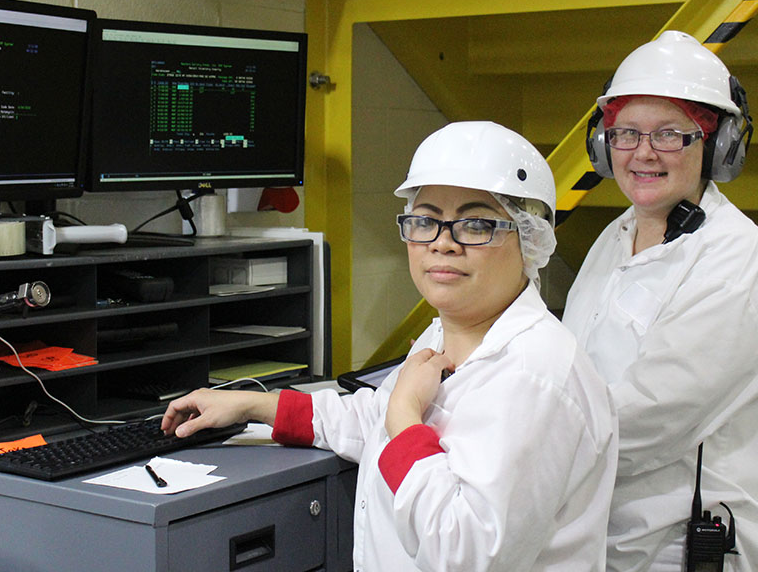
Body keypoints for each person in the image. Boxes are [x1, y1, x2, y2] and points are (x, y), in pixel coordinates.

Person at [163, 121, 618, 571]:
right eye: (425, 220)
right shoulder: (451, 332)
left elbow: (463, 554)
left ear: (530, 237)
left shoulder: (535, 376)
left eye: (476, 224)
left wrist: (404, 418)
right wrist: (252, 405)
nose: (443, 243)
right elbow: (375, 420)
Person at [563, 30, 758, 571]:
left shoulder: (736, 257)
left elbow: (649, 418)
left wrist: (507, 442)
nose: (643, 153)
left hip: (681, 546)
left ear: (718, 146)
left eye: (670, 135)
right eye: (626, 134)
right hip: (596, 528)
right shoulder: (618, 234)